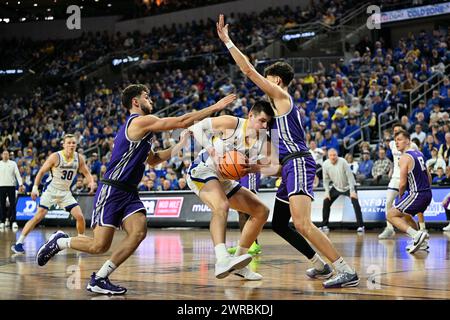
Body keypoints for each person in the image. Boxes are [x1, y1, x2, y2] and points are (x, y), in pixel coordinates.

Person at [35, 84, 236, 295]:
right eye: (146, 96)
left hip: (129, 192)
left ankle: (100, 277)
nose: (151, 100)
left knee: (139, 231)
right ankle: (61, 242)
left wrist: (180, 144)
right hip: (112, 190)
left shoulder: (145, 131)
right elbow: (180, 121)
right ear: (135, 102)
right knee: (99, 246)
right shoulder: (139, 121)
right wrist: (215, 107)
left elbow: (154, 159)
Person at [217, 14, 358, 288]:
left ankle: (346, 270)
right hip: (289, 166)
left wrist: (228, 42)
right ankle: (319, 264)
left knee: (303, 223)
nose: (264, 83)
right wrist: (255, 167)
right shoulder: (276, 115)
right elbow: (277, 162)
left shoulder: (282, 97)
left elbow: (248, 71)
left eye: (268, 79)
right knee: (281, 224)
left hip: (300, 164)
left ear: (277, 81)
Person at [187, 100, 273, 280]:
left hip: (224, 179)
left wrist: (256, 166)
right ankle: (222, 259)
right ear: (250, 115)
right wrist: (212, 150)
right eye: (262, 121)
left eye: (268, 123)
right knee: (221, 206)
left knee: (261, 211)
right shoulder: (232, 123)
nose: (265, 126)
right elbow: (195, 128)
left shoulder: (263, 141)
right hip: (203, 169)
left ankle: (238, 263)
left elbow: (273, 168)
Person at [11, 134, 94, 254]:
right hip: (51, 190)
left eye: (73, 143)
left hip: (65, 192)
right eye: (69, 143)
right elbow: (41, 172)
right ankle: (19, 243)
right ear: (63, 144)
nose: (71, 145)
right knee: (39, 216)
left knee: (80, 217)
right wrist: (35, 188)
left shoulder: (79, 158)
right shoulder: (56, 157)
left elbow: (86, 172)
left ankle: (80, 240)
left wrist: (91, 182)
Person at [379, 123, 427, 239]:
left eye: (398, 132)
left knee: (409, 209)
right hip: (396, 177)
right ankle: (390, 228)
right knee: (389, 203)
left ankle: (421, 228)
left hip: (408, 178)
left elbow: (419, 162)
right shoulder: (392, 144)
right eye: (394, 132)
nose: (396, 136)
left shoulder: (411, 147)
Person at [387, 130, 431, 254]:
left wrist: (401, 196)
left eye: (399, 140)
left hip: (417, 194)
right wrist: (427, 189)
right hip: (427, 193)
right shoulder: (420, 154)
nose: (397, 143)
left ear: (408, 141)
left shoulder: (404, 158)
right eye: (395, 141)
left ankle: (416, 235)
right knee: (405, 215)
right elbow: (428, 176)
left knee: (390, 215)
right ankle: (422, 243)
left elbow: (402, 183)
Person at [321, 149, 365, 233]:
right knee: (326, 201)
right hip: (336, 187)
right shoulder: (325, 164)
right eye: (331, 155)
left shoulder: (343, 162)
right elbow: (325, 180)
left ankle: (361, 226)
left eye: (335, 155)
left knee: (355, 203)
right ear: (328, 156)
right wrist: (327, 192)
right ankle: (324, 225)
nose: (333, 157)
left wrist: (352, 191)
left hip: (349, 186)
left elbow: (350, 177)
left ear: (337, 155)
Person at [0, 150, 24, 230]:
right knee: (2, 204)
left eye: (7, 154)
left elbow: (17, 174)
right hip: (1, 186)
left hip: (11, 186)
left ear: (9, 155)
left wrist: (20, 184)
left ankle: (13, 221)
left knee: (12, 204)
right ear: (2, 155)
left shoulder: (13, 163)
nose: (6, 155)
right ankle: (2, 221)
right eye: (4, 154)